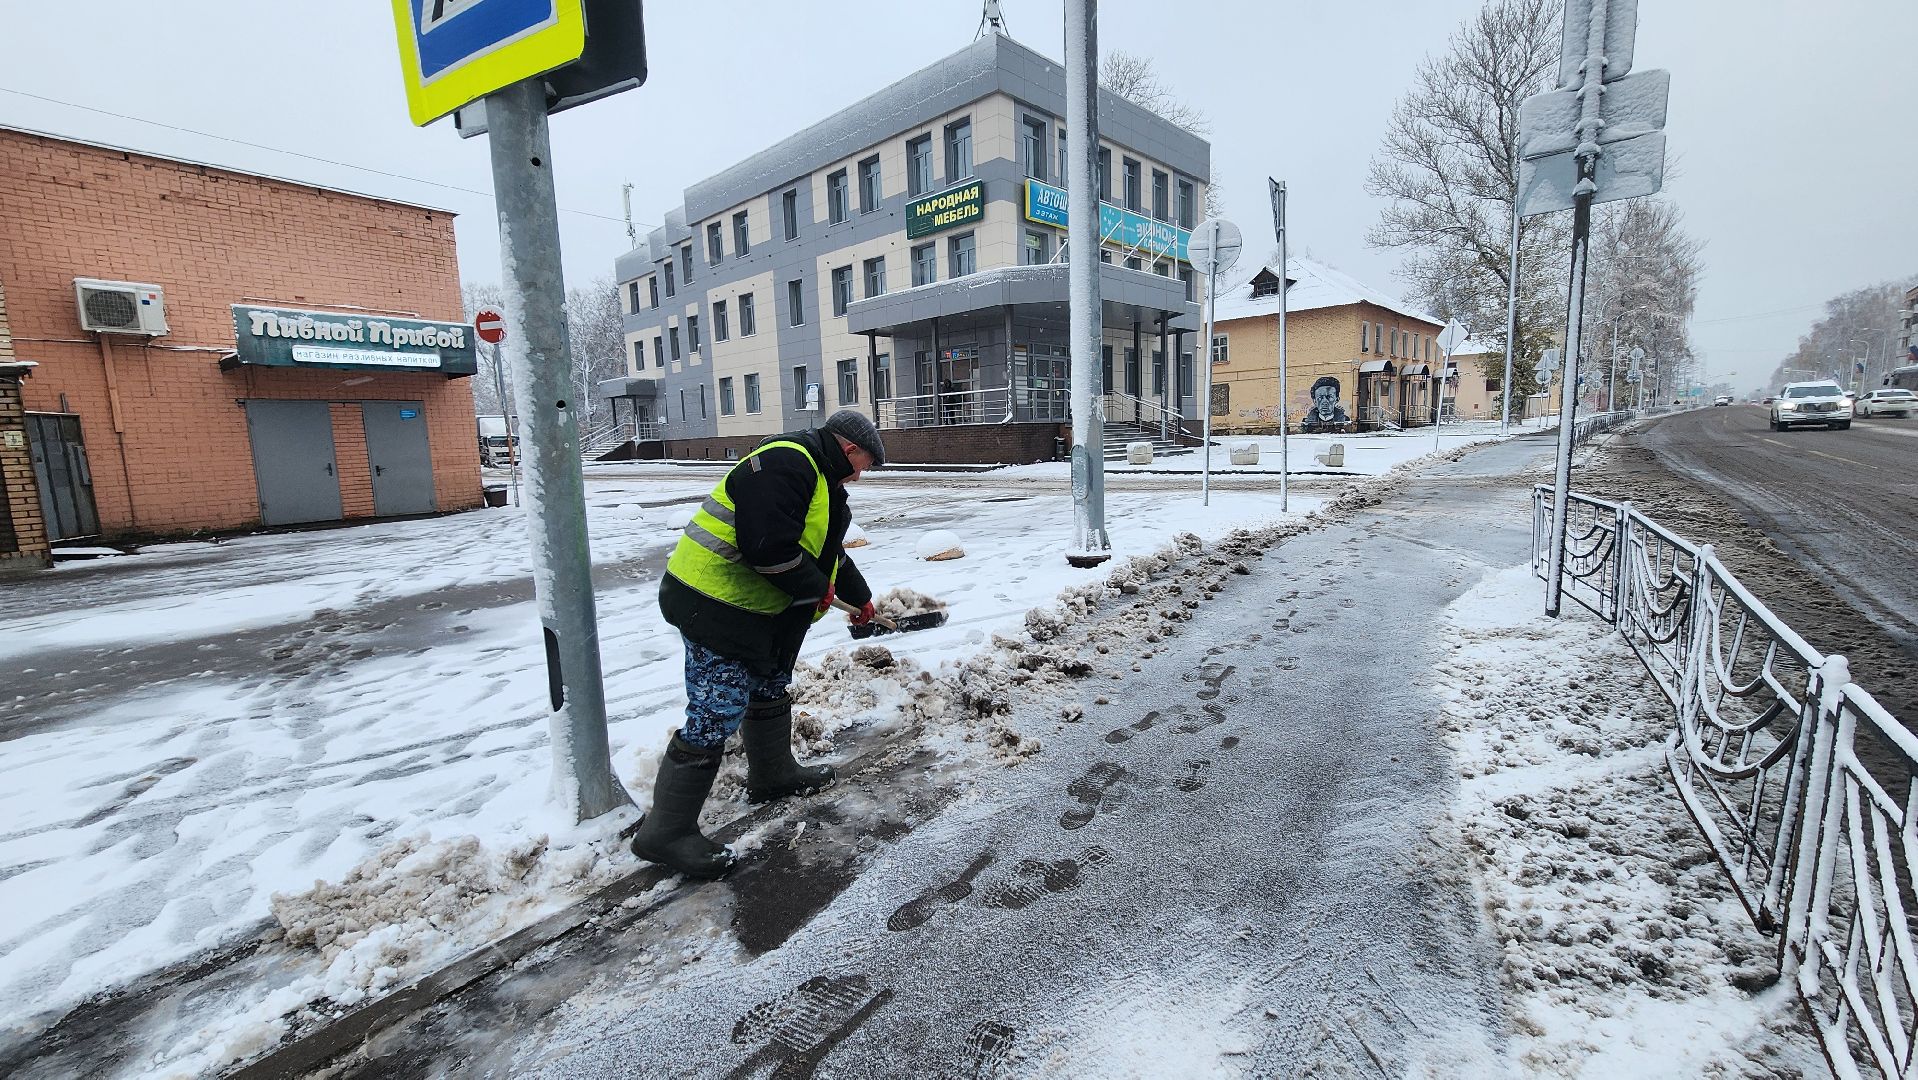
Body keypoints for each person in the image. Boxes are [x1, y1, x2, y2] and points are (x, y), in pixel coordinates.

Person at [634, 409, 887, 879]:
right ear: (850, 449)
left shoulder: (821, 479)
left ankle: (773, 774)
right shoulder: (787, 462)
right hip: (713, 603)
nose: (863, 473)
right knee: (718, 708)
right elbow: (767, 545)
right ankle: (665, 832)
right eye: (866, 463)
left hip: (754, 610)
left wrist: (859, 595)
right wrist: (816, 588)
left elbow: (823, 551)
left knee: (770, 682)